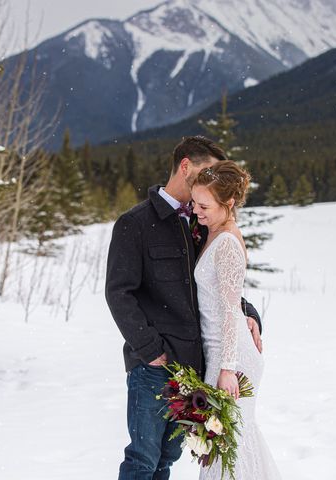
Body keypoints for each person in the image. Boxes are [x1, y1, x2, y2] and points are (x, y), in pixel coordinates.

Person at [105, 136, 264, 480]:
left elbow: (217, 284)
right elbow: (118, 293)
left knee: (166, 459)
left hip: (193, 367)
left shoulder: (199, 222)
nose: (210, 182)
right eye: (206, 171)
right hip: (154, 366)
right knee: (142, 459)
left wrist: (247, 314)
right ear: (185, 166)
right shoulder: (135, 224)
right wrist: (149, 350)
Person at [191, 161, 282, 479]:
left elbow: (230, 309)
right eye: (194, 202)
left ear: (228, 204)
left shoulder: (227, 243)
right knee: (233, 442)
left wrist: (227, 369)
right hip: (222, 352)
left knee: (228, 445)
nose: (196, 211)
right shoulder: (214, 232)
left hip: (232, 361)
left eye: (203, 205)